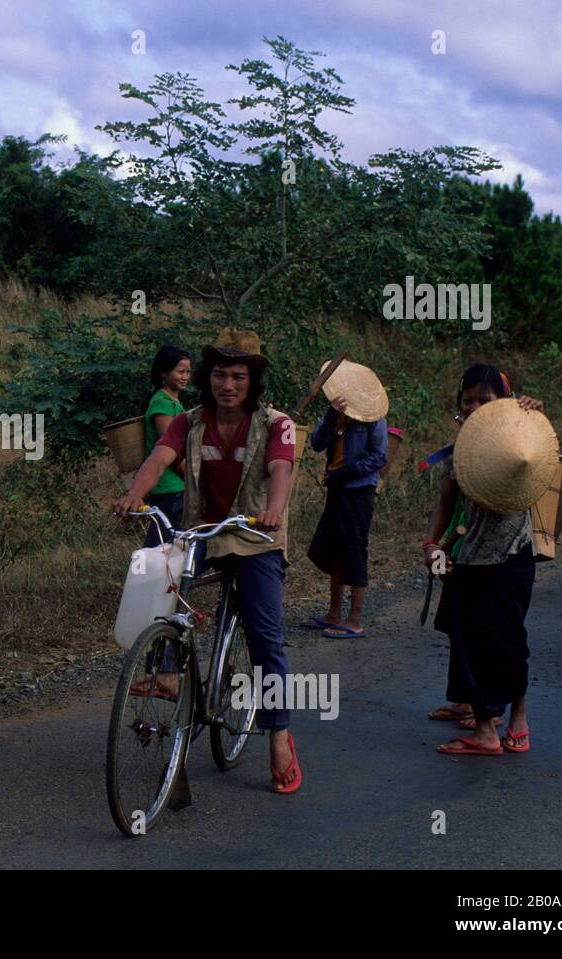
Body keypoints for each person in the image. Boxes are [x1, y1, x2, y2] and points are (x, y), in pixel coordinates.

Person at [114, 329, 302, 794]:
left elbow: (281, 469)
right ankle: (169, 673)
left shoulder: (275, 423)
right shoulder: (189, 421)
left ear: (252, 381)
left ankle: (278, 731)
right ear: (208, 377)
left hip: (257, 535)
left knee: (264, 635)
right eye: (220, 374)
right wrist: (135, 494)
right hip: (202, 531)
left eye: (239, 376)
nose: (228, 385)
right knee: (162, 587)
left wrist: (276, 509)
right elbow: (159, 459)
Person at [423, 365, 544, 756]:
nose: (474, 407)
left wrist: (530, 414)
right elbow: (446, 502)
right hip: (469, 558)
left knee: (509, 640)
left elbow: (537, 450)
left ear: (503, 402)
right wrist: (432, 543)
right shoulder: (459, 450)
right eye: (467, 401)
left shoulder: (517, 440)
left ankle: (515, 721)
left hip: (511, 557)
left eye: (483, 400)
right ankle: (486, 726)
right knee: (470, 642)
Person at [301, 374, 389, 639]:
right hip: (337, 488)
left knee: (354, 548)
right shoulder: (337, 413)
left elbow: (379, 457)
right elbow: (317, 443)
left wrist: (348, 471)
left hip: (359, 490)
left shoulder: (374, 420)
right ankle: (334, 613)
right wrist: (330, 416)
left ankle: (355, 620)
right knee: (333, 549)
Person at [141, 345, 192, 548]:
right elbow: (171, 451)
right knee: (162, 548)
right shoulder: (162, 403)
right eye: (180, 371)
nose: (185, 376)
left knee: (171, 546)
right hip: (171, 488)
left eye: (188, 372)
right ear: (164, 372)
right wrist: (192, 478)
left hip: (175, 488)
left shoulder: (173, 403)